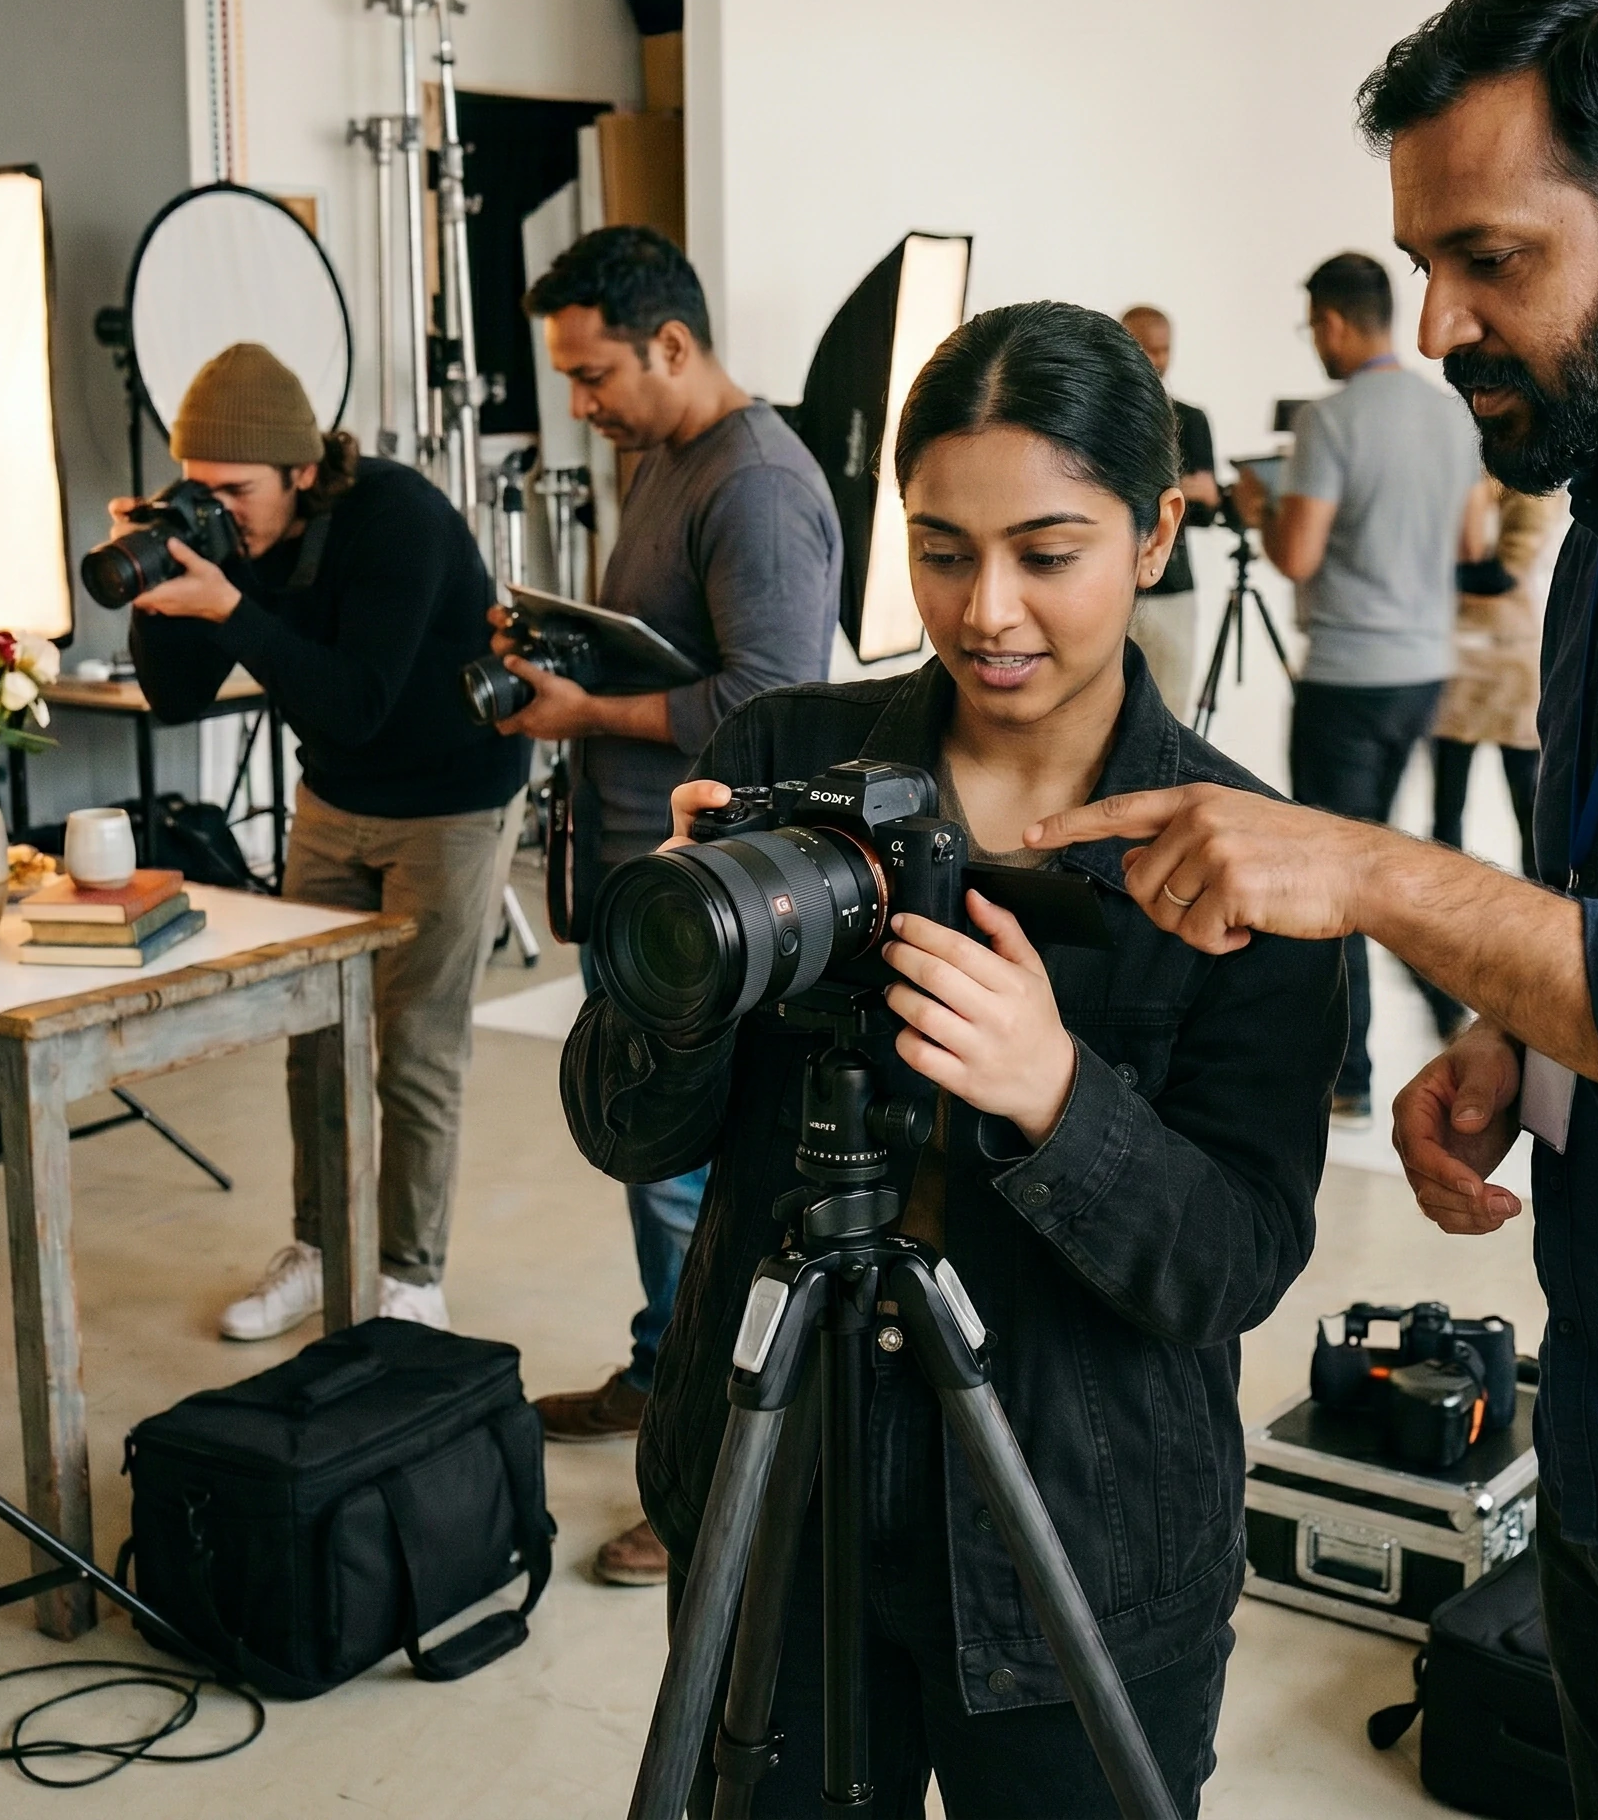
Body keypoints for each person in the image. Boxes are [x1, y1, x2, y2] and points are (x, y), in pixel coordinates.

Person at [1030, 0, 1598, 1820]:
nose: (1438, 321)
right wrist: (1508, 1034)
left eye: (1490, 260)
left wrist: (1379, 874)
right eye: (1420, 262)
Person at [562, 302, 1344, 1818]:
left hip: (1082, 1538)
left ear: (1155, 533)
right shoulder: (786, 754)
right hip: (773, 1495)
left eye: (1047, 553)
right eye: (939, 549)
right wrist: (675, 982)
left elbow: (1232, 1262)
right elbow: (623, 1133)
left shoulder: (1246, 863)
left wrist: (1058, 1096)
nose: (986, 610)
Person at [500, 226, 843, 1588]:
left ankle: (710, 1470)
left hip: (714, 906)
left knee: (696, 1190)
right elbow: (675, 649)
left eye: (593, 375)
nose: (581, 403)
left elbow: (769, 698)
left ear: (675, 344)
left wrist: (583, 713)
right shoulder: (663, 459)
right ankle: (662, 1372)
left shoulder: (754, 484)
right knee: (656, 1167)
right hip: (651, 888)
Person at [123, 342, 526, 1339]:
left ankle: (409, 1279)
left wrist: (229, 605)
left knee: (414, 1046)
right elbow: (175, 697)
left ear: (302, 469)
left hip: (449, 797)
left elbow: (357, 700)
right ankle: (319, 1248)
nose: (219, 509)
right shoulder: (226, 536)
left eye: (237, 490)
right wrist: (157, 591)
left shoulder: (397, 517)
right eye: (200, 487)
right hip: (336, 796)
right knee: (313, 1041)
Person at [1231, 251, 1483, 1113]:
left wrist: (1262, 509)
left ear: (1334, 321)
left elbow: (1297, 555)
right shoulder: (1451, 414)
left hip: (1347, 675)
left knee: (1334, 869)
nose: (1316, 342)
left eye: (1314, 327)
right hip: (1423, 671)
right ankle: (1447, 1007)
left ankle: (1354, 1075)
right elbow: (1471, 544)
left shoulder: (1329, 422)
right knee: (1384, 844)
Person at [1429, 480, 1567, 877]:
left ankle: (1540, 897)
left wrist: (1422, 573)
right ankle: (1441, 896)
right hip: (1461, 656)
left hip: (1509, 659)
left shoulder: (1534, 492)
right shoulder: (1480, 482)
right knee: (1448, 804)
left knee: (1530, 804)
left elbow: (1506, 573)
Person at [1120, 304, 1219, 718]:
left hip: (1173, 584)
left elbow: (1207, 509)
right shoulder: (1102, 418)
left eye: (1164, 349)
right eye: (1146, 348)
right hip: (1114, 583)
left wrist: (1205, 495)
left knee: (1171, 709)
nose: (1157, 360)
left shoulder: (1190, 420)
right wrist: (1181, 487)